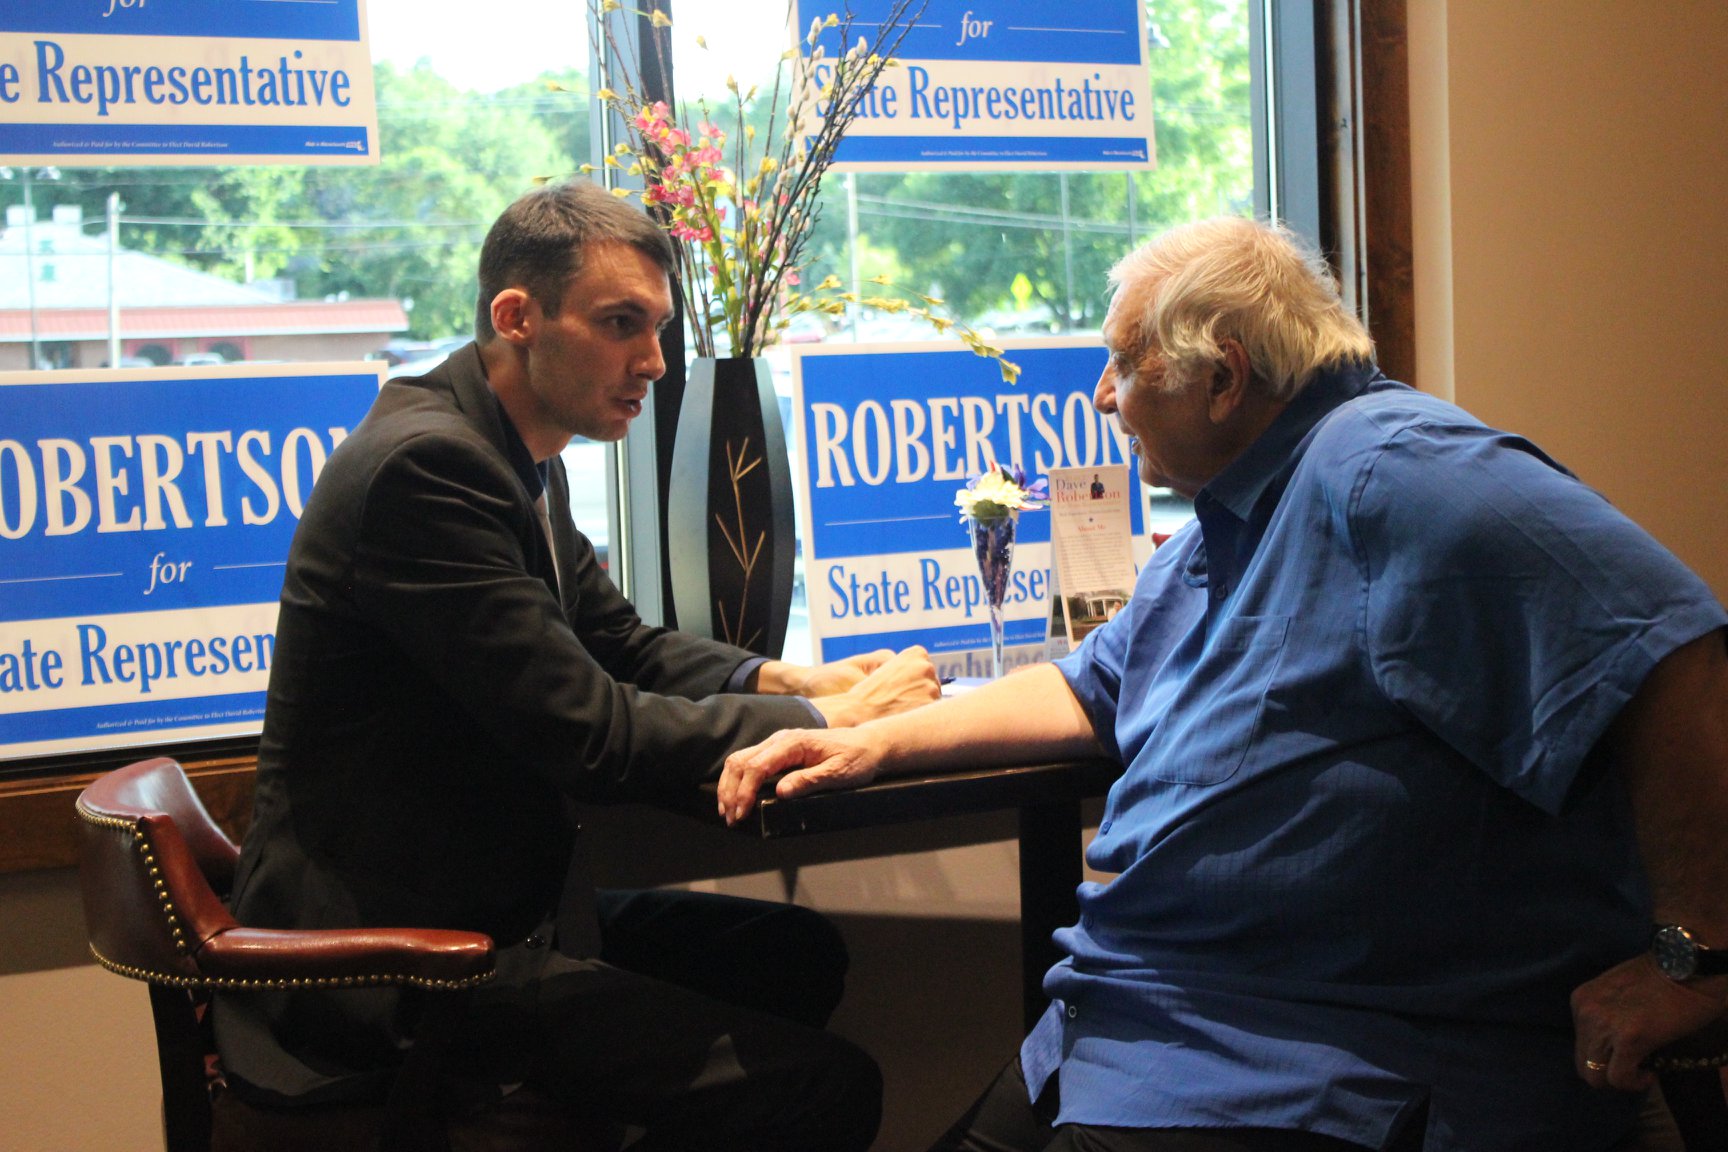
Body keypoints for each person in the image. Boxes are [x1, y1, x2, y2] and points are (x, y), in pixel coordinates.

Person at [719, 216, 1728, 1151]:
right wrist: (870, 741)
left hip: (1296, 1066)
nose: (1103, 397)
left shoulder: (1393, 468)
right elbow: (1089, 689)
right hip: (1121, 1026)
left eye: (1124, 365)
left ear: (1223, 377)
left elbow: (1671, 647)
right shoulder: (1232, 518)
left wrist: (1697, 959)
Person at [212, 178, 940, 1151]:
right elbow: (590, 734)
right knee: (825, 1091)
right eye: (619, 323)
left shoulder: (515, 450)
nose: (654, 360)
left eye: (658, 327)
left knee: (790, 954)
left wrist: (797, 682)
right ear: (517, 317)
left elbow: (621, 643)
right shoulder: (429, 468)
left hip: (488, 913)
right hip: (399, 962)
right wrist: (840, 725)